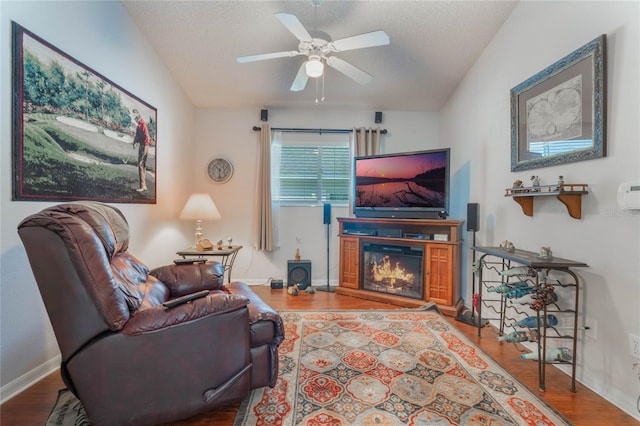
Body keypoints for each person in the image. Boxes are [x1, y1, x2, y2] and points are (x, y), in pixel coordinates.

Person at [132, 109, 150, 192]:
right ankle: (144, 186)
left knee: (140, 164)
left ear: (138, 117)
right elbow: (137, 136)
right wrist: (135, 142)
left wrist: (140, 143)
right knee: (142, 165)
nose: (135, 120)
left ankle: (143, 186)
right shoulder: (139, 125)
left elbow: (146, 137)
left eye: (136, 118)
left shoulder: (143, 124)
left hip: (144, 146)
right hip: (144, 145)